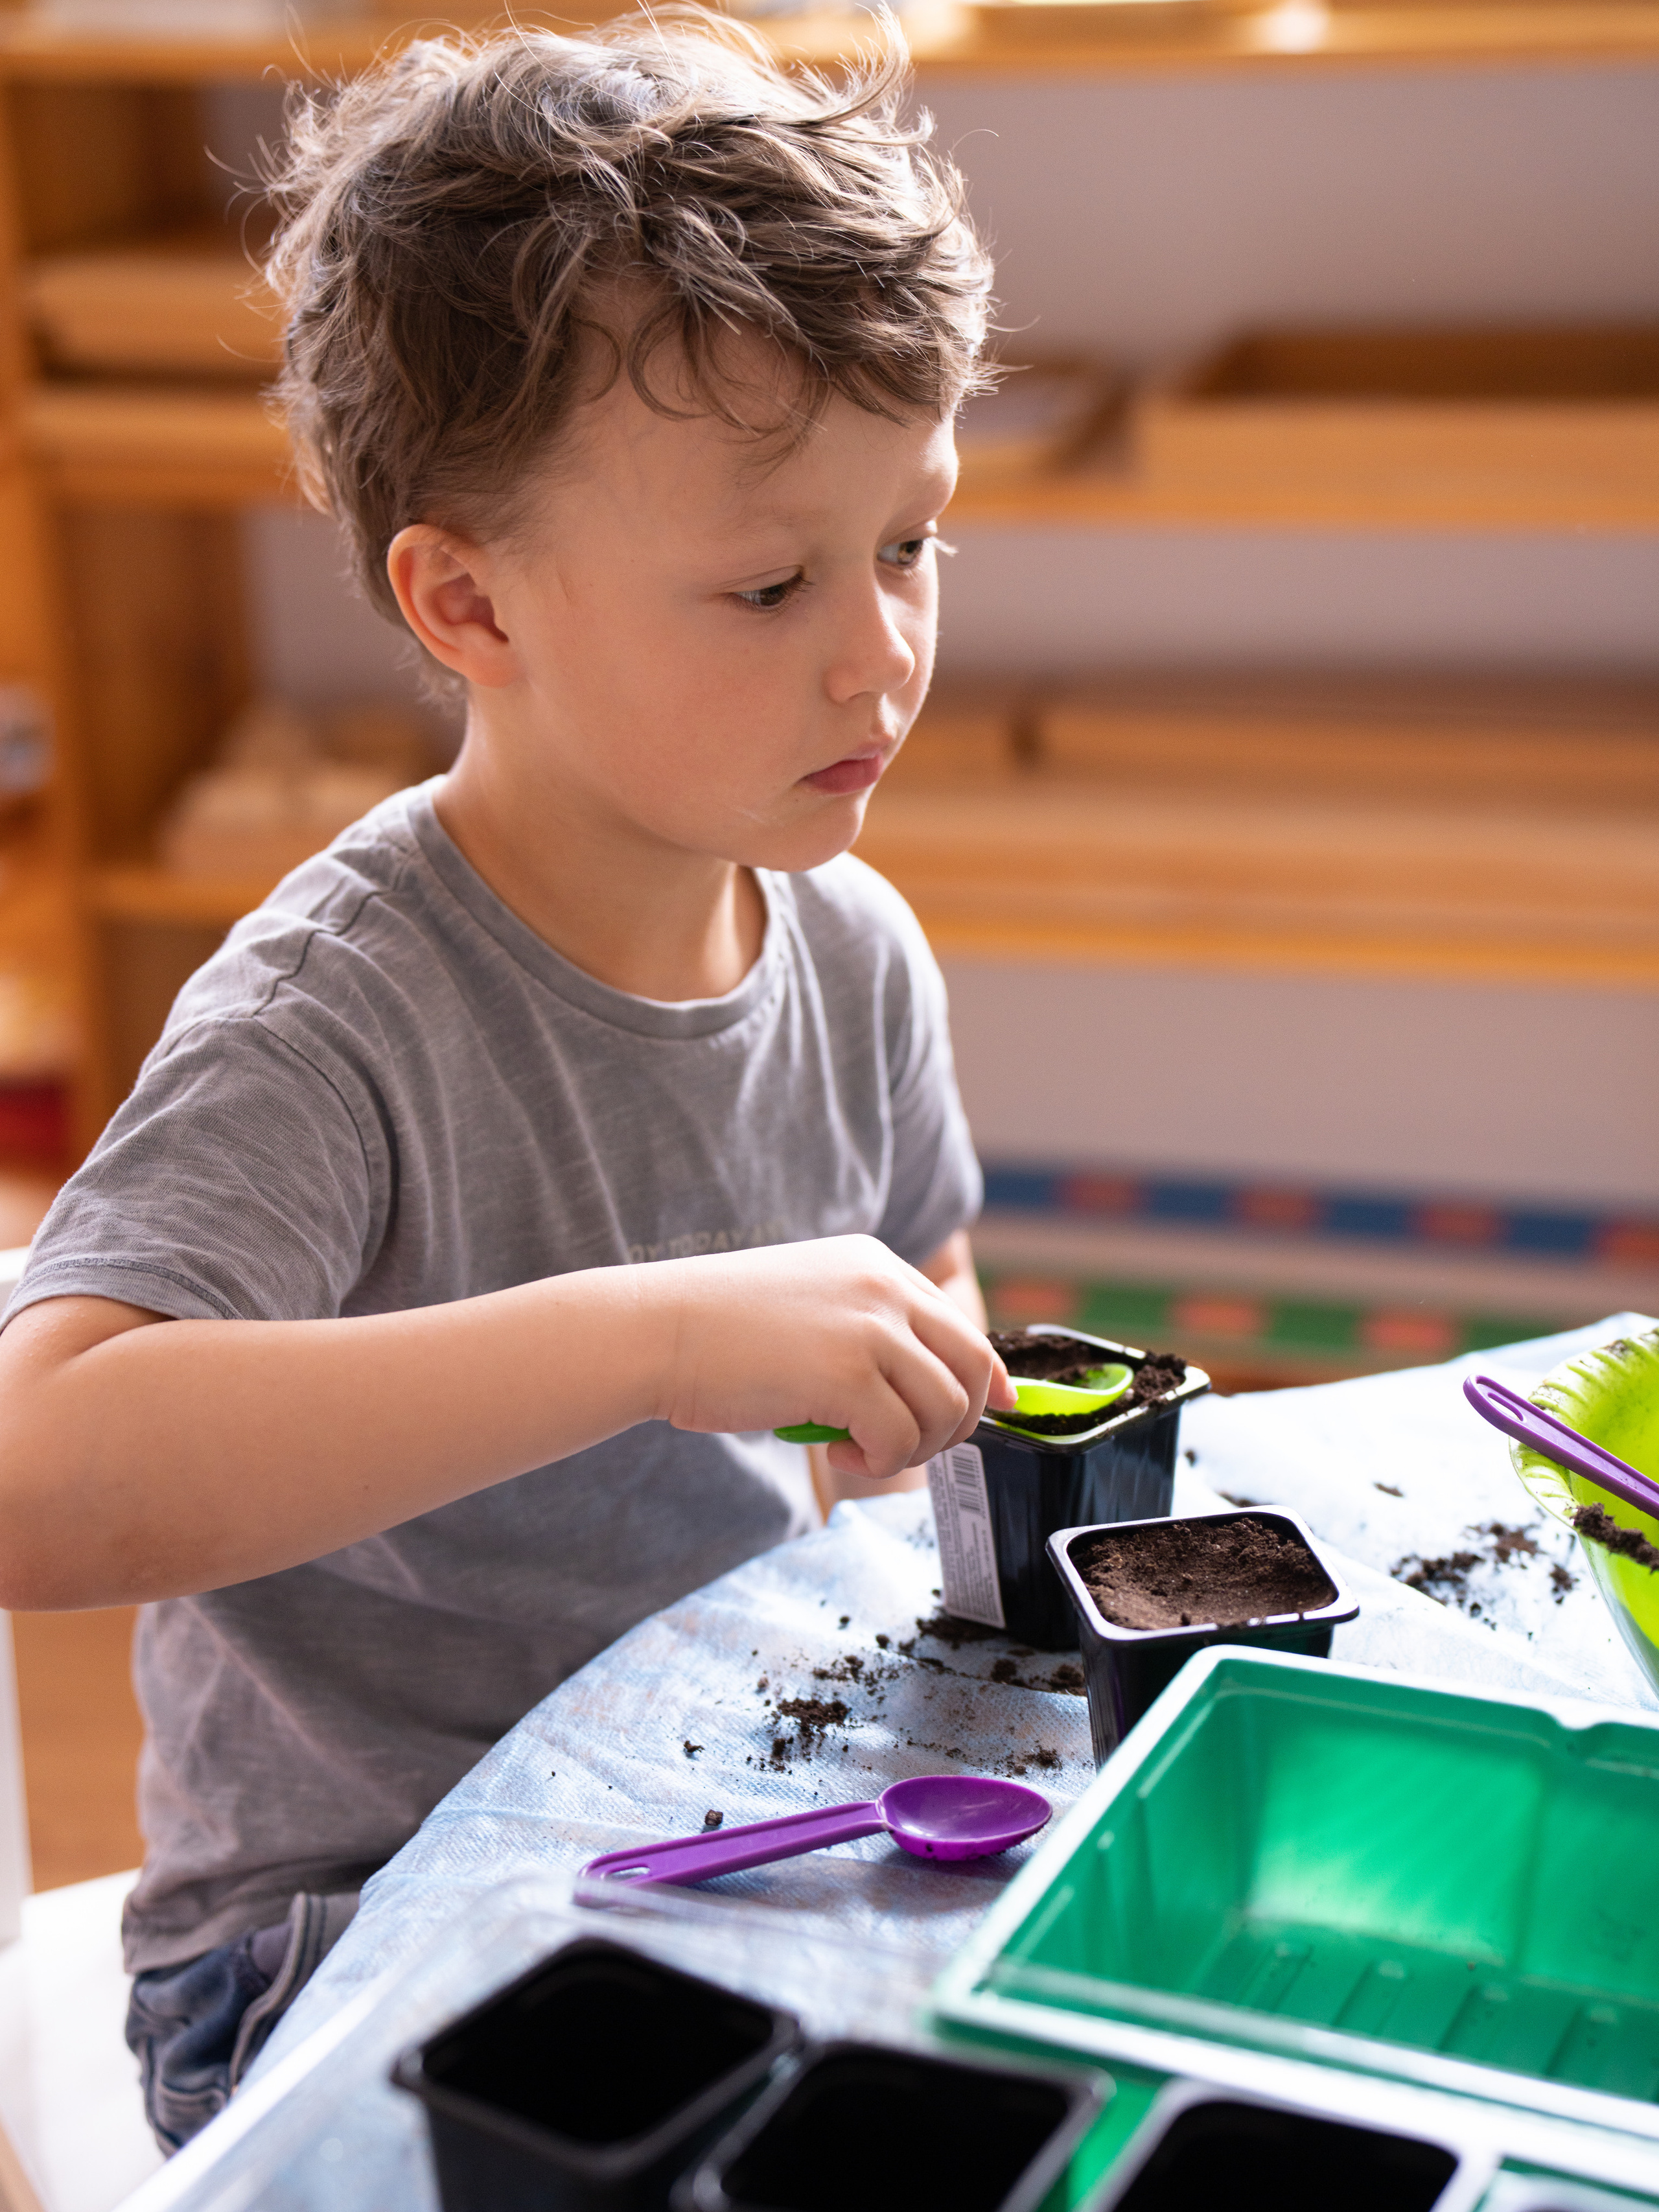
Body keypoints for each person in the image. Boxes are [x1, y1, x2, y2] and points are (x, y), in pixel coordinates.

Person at [0, 11, 1014, 2149]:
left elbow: (909, 1397)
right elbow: (43, 1475)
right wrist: (646, 1343)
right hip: (344, 1935)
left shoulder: (856, 947)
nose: (879, 657)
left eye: (908, 544)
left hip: (712, 1816)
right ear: (467, 599)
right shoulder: (338, 1017)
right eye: (770, 583)